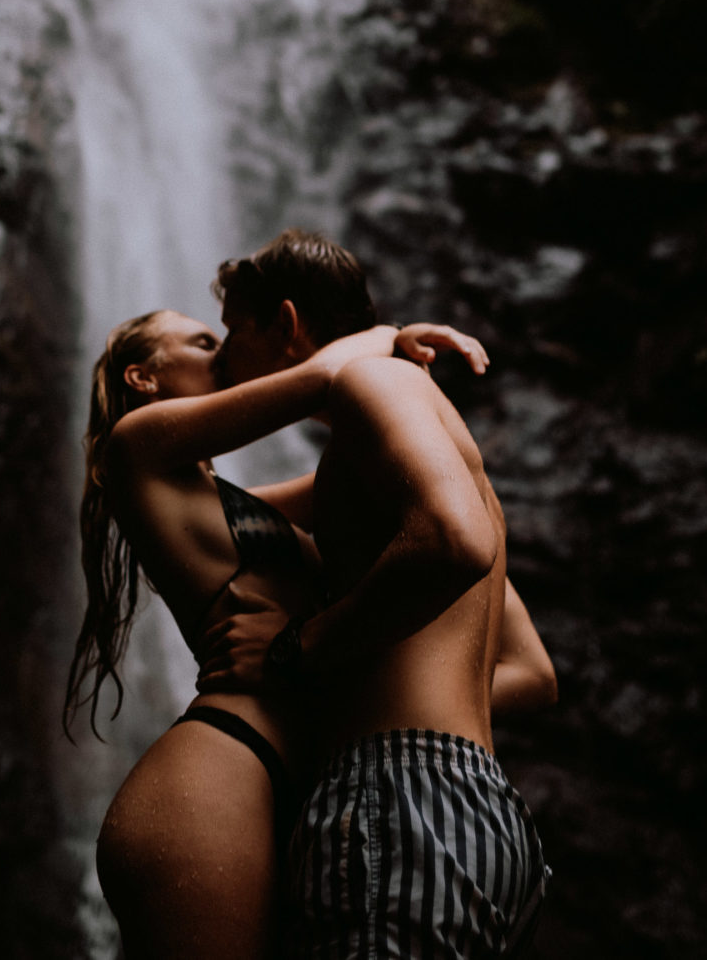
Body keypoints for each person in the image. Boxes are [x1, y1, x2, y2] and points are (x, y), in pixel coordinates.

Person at [63, 271, 550, 960]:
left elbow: (380, 462)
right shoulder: (135, 446)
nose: (224, 353)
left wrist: (330, 664)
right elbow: (328, 377)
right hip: (225, 767)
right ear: (143, 377)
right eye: (204, 342)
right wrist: (388, 340)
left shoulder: (237, 504)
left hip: (320, 786)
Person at [197, 229, 554, 958]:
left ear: (287, 325)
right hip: (475, 809)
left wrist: (299, 649)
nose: (223, 363)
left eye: (232, 336)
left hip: (398, 801)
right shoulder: (390, 454)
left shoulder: (377, 385)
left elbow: (454, 544)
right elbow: (534, 673)